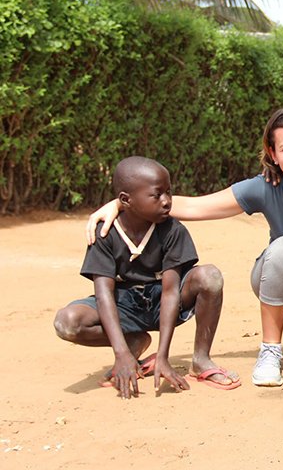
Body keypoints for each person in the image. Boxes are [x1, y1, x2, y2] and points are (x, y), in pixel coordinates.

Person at [86, 104, 283, 387]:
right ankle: (270, 350)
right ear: (273, 153)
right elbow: (198, 206)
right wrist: (123, 203)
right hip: (280, 277)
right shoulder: (264, 187)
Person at [56, 157, 237, 398]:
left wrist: (163, 357)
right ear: (125, 200)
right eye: (157, 195)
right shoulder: (104, 233)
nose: (167, 202)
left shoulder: (172, 230)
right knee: (67, 322)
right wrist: (120, 354)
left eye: (169, 193)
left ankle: (201, 359)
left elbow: (171, 291)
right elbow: (104, 295)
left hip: (164, 300)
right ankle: (133, 343)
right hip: (126, 304)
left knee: (210, 276)